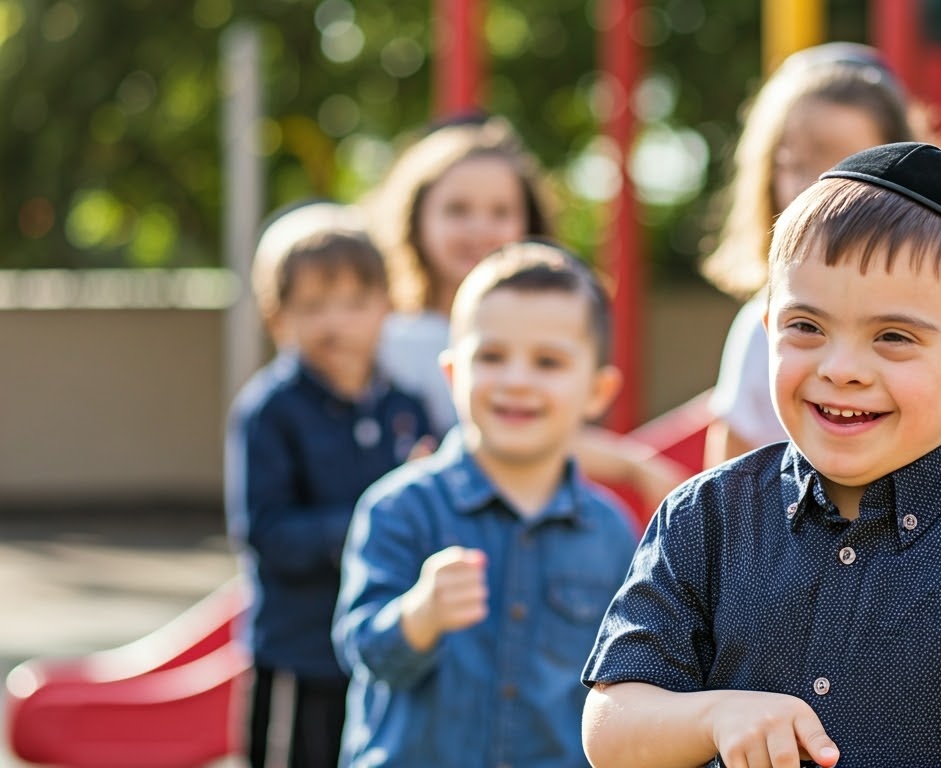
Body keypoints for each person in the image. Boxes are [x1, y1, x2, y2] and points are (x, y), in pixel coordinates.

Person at [582, 143, 941, 768]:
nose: (841, 369)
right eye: (807, 327)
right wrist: (716, 714)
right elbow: (611, 726)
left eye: (893, 338)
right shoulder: (704, 516)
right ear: (767, 331)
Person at [333, 241, 640, 767]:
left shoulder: (613, 533)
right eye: (492, 356)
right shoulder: (399, 507)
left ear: (597, 391)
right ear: (453, 375)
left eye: (548, 361)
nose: (517, 380)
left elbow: (623, 691)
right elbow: (361, 650)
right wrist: (420, 614)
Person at [363, 116, 687, 509]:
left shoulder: (552, 323)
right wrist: (631, 464)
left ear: (527, 222)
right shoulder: (391, 340)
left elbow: (542, 437)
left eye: (500, 212)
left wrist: (636, 466)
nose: (479, 228)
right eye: (457, 210)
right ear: (418, 219)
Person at [225, 201, 432, 768]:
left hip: (383, 642)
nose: (335, 322)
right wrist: (369, 528)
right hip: (300, 648)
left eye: (354, 303)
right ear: (278, 317)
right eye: (313, 306)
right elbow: (266, 530)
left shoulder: (405, 409)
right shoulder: (271, 410)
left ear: (386, 307)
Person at [701, 42, 925, 467]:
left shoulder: (927, 318)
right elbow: (724, 479)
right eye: (795, 164)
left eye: (844, 166)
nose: (815, 191)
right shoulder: (763, 326)